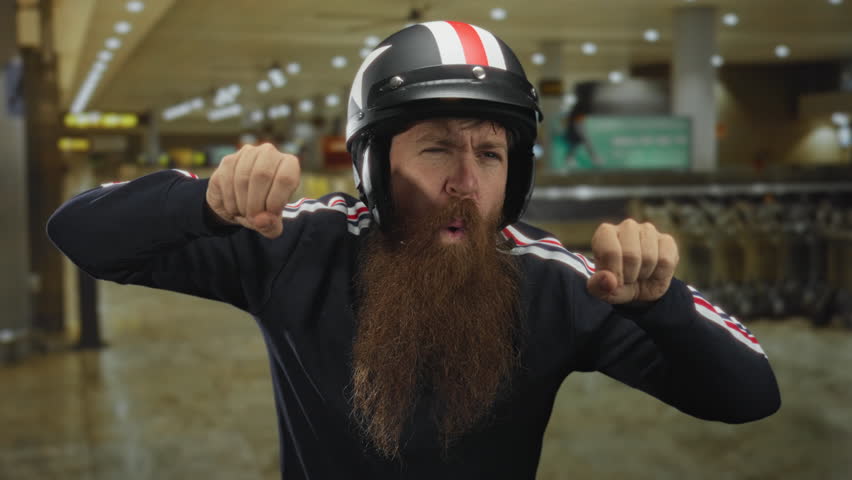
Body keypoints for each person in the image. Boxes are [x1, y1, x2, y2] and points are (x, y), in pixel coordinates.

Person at [47, 21, 780, 480]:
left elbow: (749, 396)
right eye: (436, 149)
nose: (466, 183)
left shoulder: (558, 282)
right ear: (371, 166)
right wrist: (204, 199)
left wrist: (664, 303)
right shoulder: (298, 243)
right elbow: (80, 233)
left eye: (490, 156)